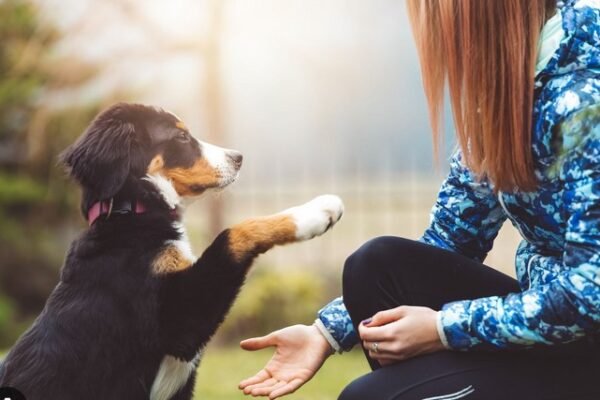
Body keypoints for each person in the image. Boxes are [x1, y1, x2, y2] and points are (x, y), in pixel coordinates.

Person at [238, 0, 600, 399]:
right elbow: (451, 239)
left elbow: (589, 293)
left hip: (588, 340)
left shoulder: (586, 100)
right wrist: (324, 333)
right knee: (376, 265)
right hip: (557, 336)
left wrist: (444, 329)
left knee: (368, 397)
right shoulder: (513, 90)